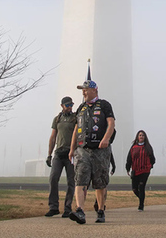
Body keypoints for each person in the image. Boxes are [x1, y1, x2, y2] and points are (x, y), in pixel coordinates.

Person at [68, 79, 115, 225]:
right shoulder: (81, 107)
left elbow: (111, 123)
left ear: (94, 90)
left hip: (100, 149)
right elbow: (76, 129)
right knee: (80, 179)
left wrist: (106, 138)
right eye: (82, 89)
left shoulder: (104, 105)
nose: (83, 92)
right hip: (83, 149)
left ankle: (100, 210)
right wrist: (72, 148)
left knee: (100, 182)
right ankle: (80, 211)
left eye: (86, 89)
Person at [45, 96, 77, 217]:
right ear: (62, 106)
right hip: (59, 153)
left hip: (71, 153)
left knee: (71, 181)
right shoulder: (57, 119)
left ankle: (67, 208)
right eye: (67, 105)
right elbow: (53, 137)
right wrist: (49, 154)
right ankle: (53, 207)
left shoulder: (75, 118)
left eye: (71, 105)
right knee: (53, 178)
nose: (70, 107)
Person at [125, 130, 155, 211]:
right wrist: (127, 168)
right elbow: (129, 158)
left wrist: (150, 166)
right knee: (135, 189)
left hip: (145, 171)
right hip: (135, 170)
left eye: (143, 135)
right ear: (137, 137)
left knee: (141, 187)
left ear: (145, 137)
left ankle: (141, 205)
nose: (141, 136)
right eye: (140, 135)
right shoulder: (133, 147)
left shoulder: (148, 147)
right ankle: (141, 198)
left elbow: (152, 158)